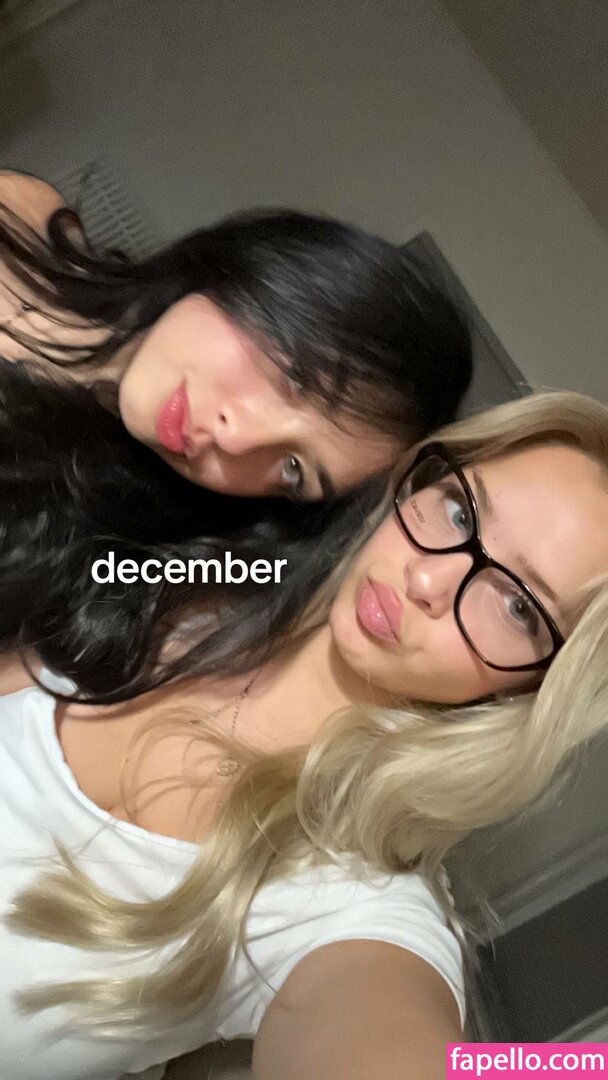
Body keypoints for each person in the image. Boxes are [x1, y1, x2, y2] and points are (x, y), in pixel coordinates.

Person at [1, 387, 607, 1079]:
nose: (428, 577)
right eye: (460, 511)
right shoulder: (197, 564)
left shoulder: (347, 906)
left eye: (516, 604)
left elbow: (382, 1043)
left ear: (531, 688)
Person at [0, 170, 472, 500]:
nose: (237, 441)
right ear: (266, 276)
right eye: (296, 376)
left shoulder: (67, 516)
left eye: (293, 470)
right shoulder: (22, 212)